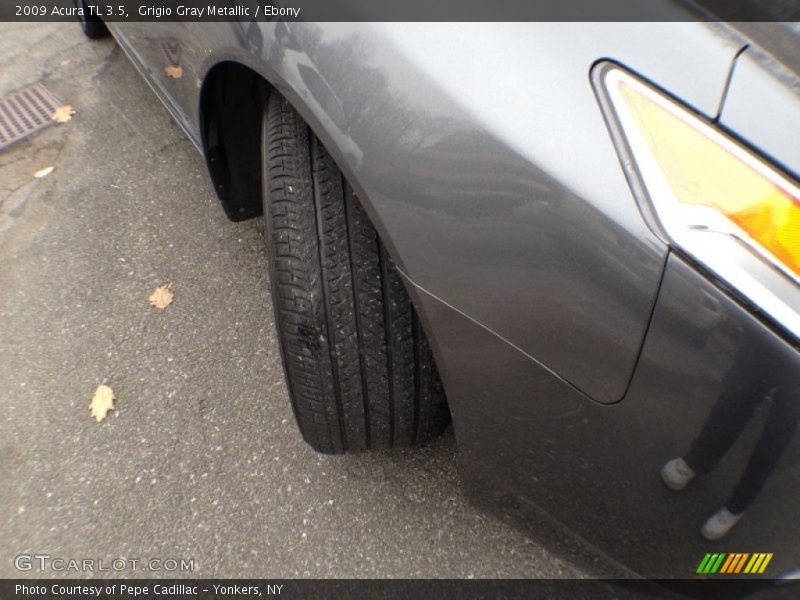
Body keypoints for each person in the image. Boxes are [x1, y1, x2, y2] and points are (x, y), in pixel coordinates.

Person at [661, 325, 800, 540]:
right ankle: (698, 460)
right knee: (736, 397)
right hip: (769, 320)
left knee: (778, 432)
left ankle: (739, 503)